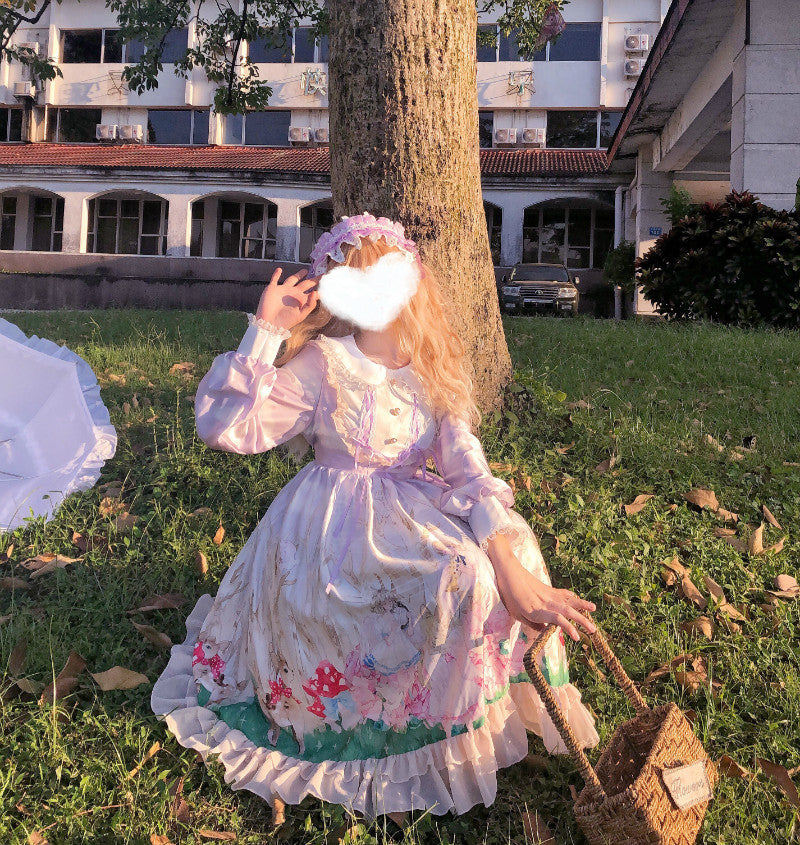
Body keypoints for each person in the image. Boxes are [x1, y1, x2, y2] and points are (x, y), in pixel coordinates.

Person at [151, 213, 599, 826]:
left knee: (506, 546)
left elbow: (467, 469)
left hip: (414, 504)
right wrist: (265, 333)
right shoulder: (323, 363)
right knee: (451, 576)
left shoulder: (432, 365)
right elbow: (226, 429)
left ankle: (463, 709)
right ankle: (377, 718)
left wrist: (509, 565)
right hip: (332, 526)